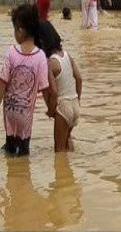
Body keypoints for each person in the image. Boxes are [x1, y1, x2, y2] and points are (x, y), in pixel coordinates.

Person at [0, 4, 53, 156]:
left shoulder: (11, 52)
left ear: (20, 29)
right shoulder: (40, 57)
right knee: (24, 152)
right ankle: (22, 175)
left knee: (9, 148)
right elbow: (45, 89)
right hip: (25, 116)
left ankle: (10, 174)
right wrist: (50, 109)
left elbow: (2, 81)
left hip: (9, 112)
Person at [37, 21, 83, 152]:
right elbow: (79, 79)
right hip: (74, 104)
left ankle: (63, 172)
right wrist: (77, 99)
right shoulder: (68, 56)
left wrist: (51, 110)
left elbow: (55, 92)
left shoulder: (50, 63)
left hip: (63, 107)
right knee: (68, 140)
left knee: (59, 152)